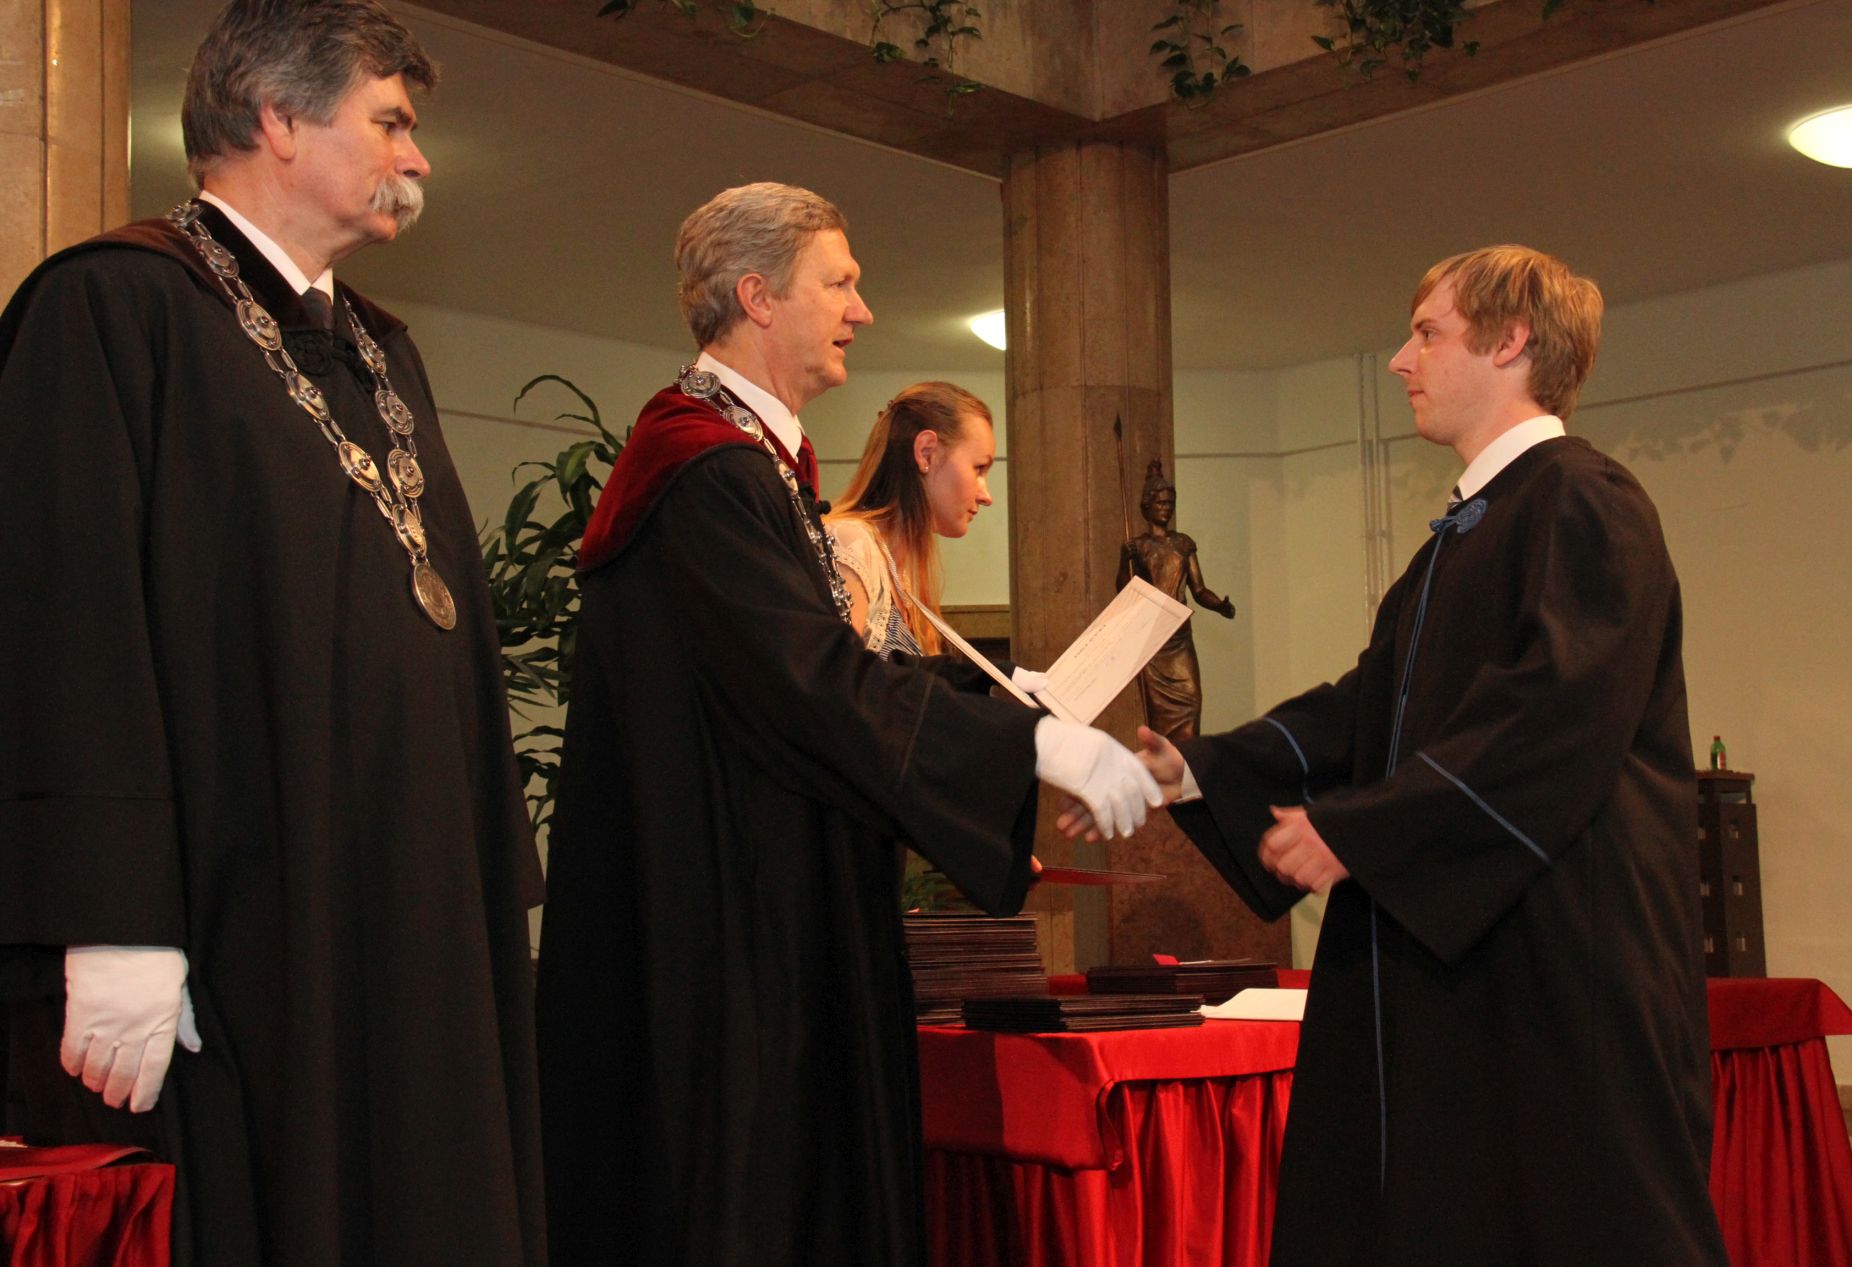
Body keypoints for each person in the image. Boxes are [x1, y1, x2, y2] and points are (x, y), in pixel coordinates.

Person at [0, 3, 546, 1263]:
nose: (416, 156)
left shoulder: (380, 352)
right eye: (390, 122)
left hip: (404, 900)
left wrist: (476, 870)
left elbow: (444, 623)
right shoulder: (112, 305)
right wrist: (111, 914)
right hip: (232, 913)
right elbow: (62, 620)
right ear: (279, 119)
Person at [535, 182, 1159, 1265]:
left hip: (772, 910)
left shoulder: (751, 465)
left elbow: (831, 671)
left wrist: (997, 704)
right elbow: (814, 685)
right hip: (732, 943)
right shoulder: (704, 470)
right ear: (757, 297)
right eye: (840, 283)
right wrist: (1033, 744)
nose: (861, 310)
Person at [1066, 246, 1727, 1263]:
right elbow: (1366, 709)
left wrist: (1364, 828)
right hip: (1468, 955)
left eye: (1426, 333)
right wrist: (1194, 766)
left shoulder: (1584, 499)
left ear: (1509, 342)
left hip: (1561, 963)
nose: (1398, 360)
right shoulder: (1458, 538)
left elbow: (1552, 714)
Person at [826, 381, 998, 658]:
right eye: (979, 468)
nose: (986, 496)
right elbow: (837, 678)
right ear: (926, 452)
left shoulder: (899, 571)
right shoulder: (851, 543)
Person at [1120, 459, 1236, 742]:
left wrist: (1220, 605)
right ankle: (1165, 763)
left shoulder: (1183, 543)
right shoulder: (1139, 546)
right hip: (1153, 638)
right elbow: (1124, 591)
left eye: (1170, 503)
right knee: (1158, 718)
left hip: (1179, 636)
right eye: (1160, 503)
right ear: (1147, 507)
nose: (1166, 508)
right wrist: (1125, 559)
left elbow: (1199, 590)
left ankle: (1188, 762)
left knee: (1192, 702)